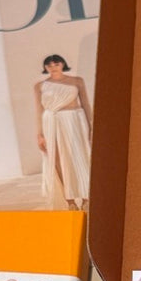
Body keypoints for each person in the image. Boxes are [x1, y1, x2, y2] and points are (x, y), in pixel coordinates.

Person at [35, 54, 93, 211]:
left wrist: (91, 126)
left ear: (63, 64)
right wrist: (40, 134)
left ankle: (86, 197)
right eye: (49, 65)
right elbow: (39, 110)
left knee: (79, 157)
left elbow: (86, 104)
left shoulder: (77, 81)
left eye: (56, 64)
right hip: (52, 122)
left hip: (75, 121)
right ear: (45, 67)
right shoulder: (40, 86)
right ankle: (70, 200)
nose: (53, 67)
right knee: (58, 159)